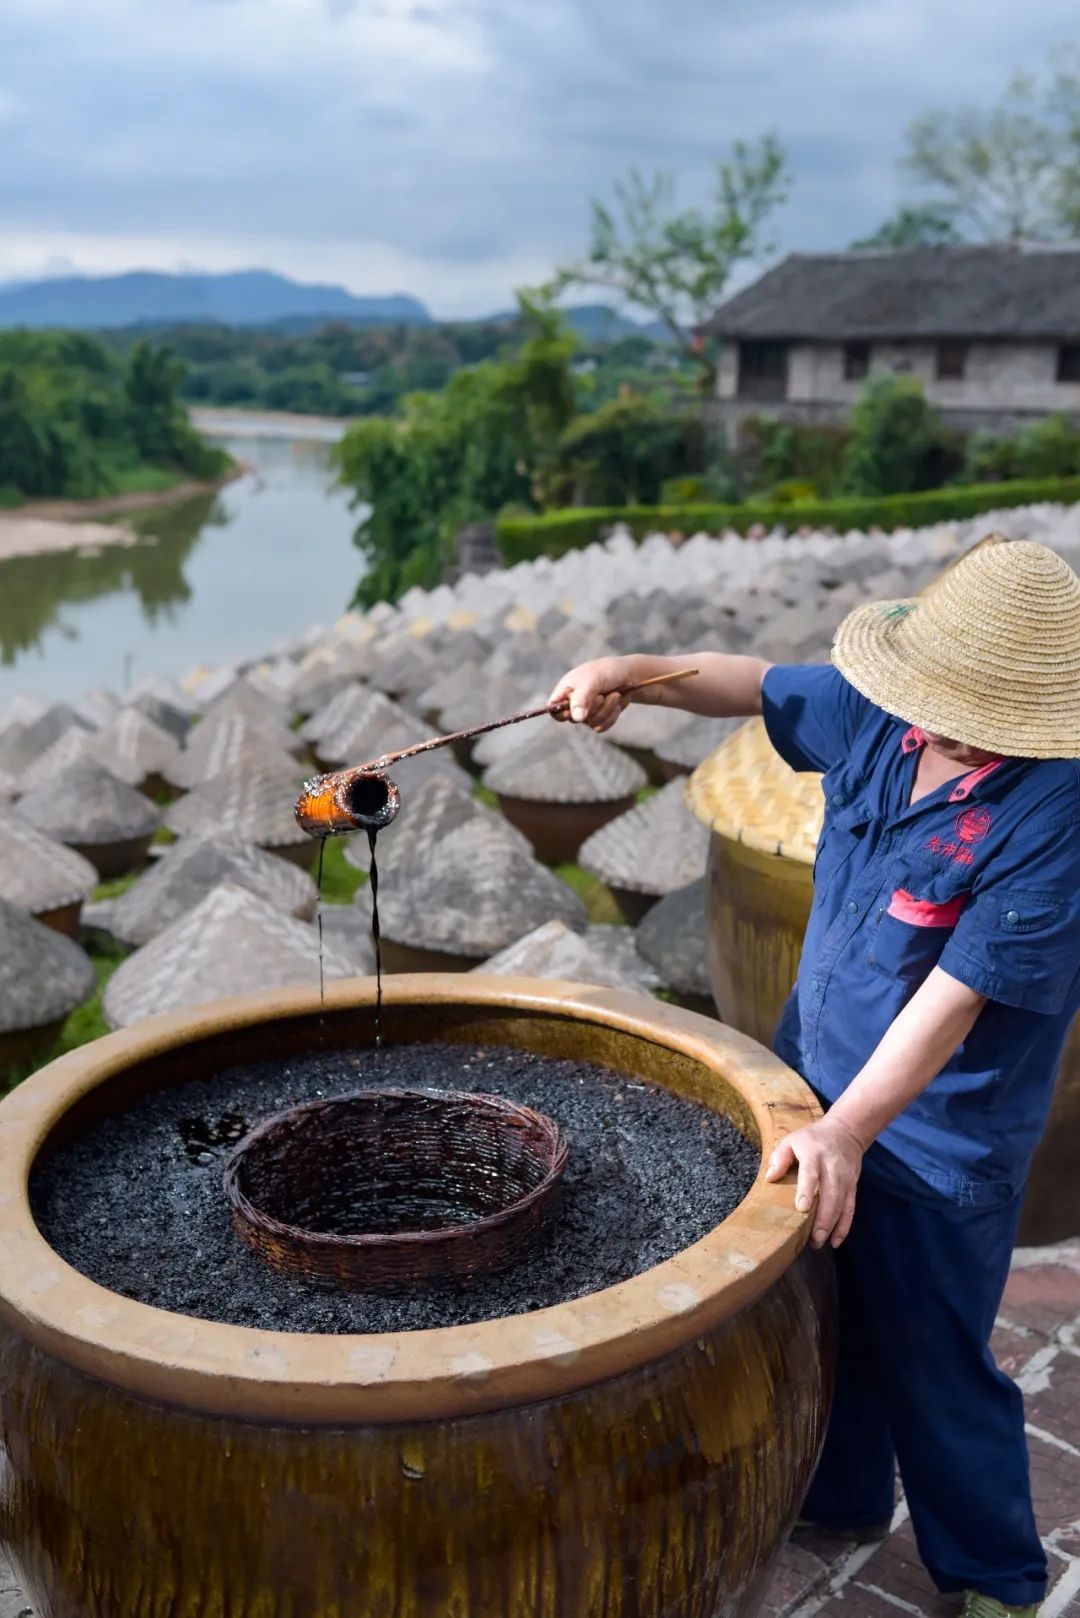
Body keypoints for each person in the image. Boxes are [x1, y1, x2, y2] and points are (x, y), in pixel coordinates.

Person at [549, 539, 1080, 1618]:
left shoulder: (1054, 814)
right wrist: (632, 671)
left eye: (975, 714)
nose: (943, 724)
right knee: (825, 1309)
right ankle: (839, 1497)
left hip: (942, 1134)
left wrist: (853, 1131)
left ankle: (997, 1576)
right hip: (815, 1077)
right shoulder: (880, 714)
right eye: (937, 700)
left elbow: (956, 996)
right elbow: (746, 682)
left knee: (932, 1351)